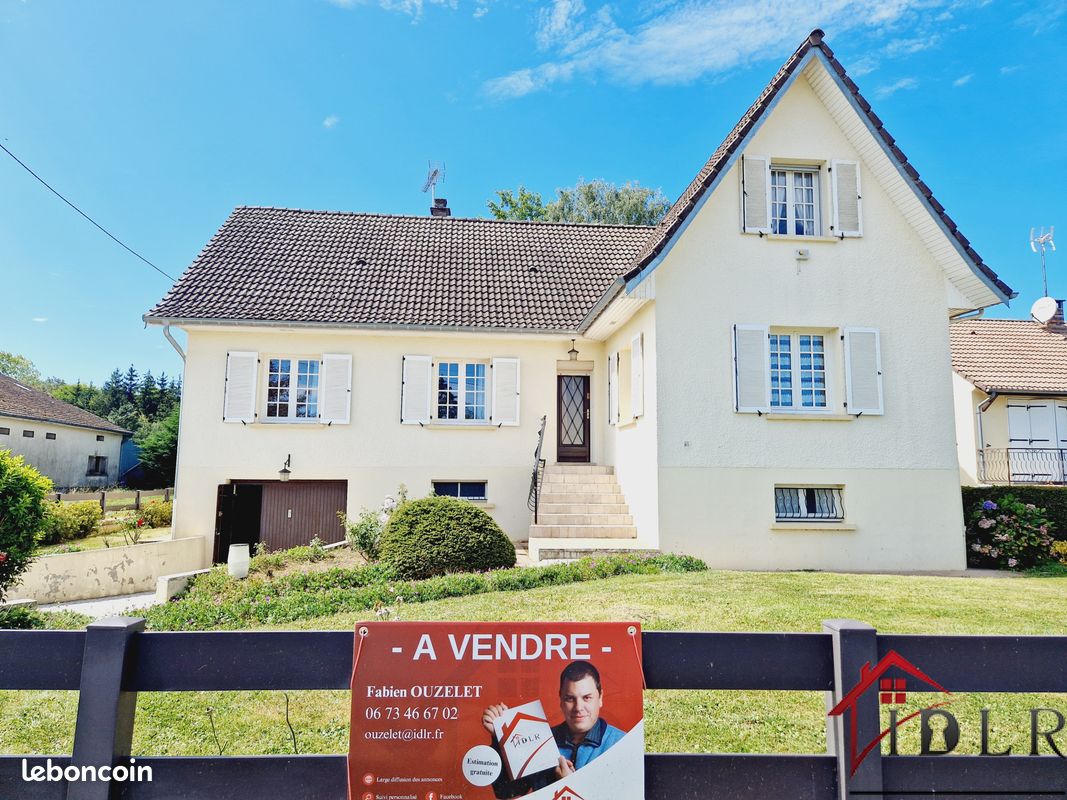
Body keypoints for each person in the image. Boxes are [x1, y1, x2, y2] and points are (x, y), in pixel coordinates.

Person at [481, 660, 625, 798]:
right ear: (561, 700)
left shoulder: (622, 744)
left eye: (587, 698)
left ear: (600, 698)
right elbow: (506, 792)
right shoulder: (541, 740)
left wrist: (570, 785)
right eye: (570, 698)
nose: (578, 708)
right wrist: (501, 740)